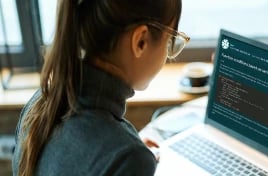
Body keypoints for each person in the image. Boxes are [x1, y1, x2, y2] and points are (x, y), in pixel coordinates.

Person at [12, 0, 189, 175]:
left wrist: (127, 151)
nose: (167, 54)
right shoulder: (127, 157)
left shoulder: (40, 104)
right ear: (140, 41)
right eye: (169, 41)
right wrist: (131, 158)